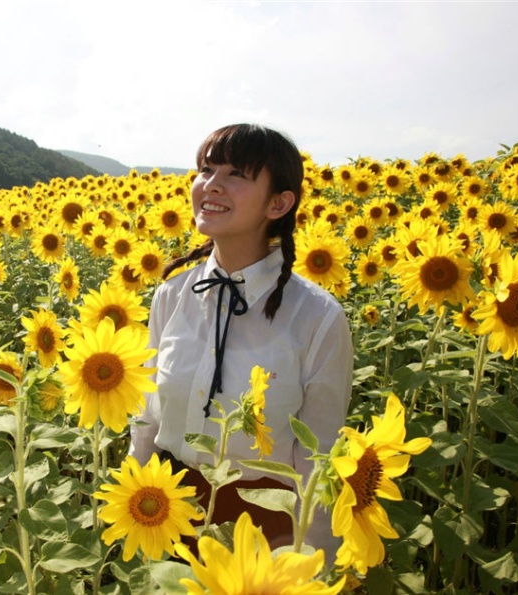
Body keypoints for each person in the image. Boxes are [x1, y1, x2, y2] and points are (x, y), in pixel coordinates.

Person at [128, 123, 353, 558]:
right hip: (167, 511)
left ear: (279, 203)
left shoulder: (317, 317)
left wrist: (315, 559)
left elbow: (319, 455)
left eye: (236, 174)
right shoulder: (173, 295)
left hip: (266, 527)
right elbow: (148, 416)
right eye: (206, 170)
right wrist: (131, 501)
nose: (211, 185)